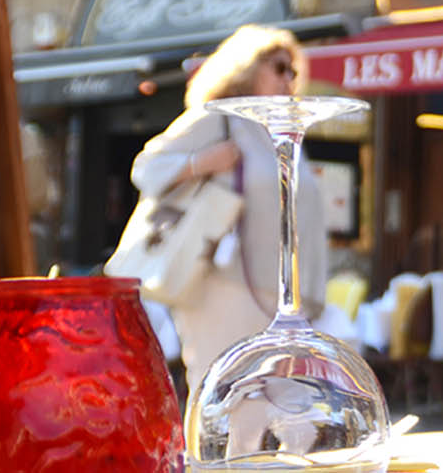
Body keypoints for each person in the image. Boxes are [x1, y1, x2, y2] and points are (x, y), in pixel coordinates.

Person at [126, 25, 330, 391]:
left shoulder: (281, 132)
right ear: (246, 69)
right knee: (225, 398)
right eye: (279, 68)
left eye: (293, 71)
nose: (290, 79)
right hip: (224, 286)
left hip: (281, 296)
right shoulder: (216, 119)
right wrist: (199, 162)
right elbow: (145, 167)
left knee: (281, 405)